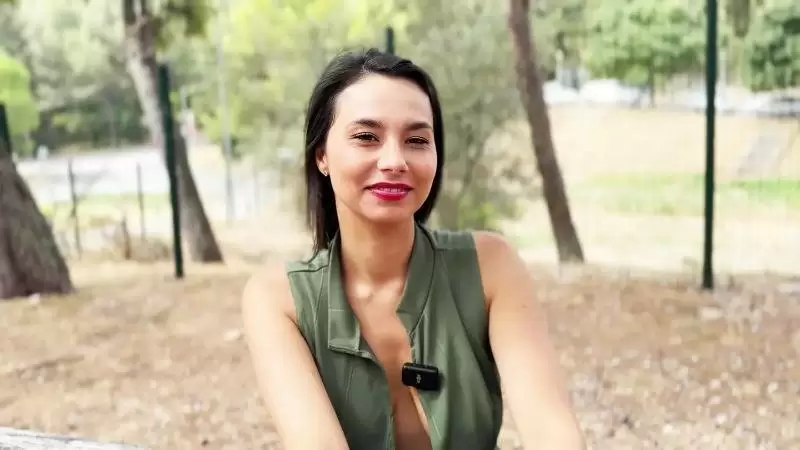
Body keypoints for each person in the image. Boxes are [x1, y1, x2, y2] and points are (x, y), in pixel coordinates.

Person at [241, 48, 585, 450]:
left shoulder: (490, 267)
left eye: (417, 140)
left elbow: (554, 433)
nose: (395, 161)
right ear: (322, 156)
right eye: (366, 137)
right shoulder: (278, 299)